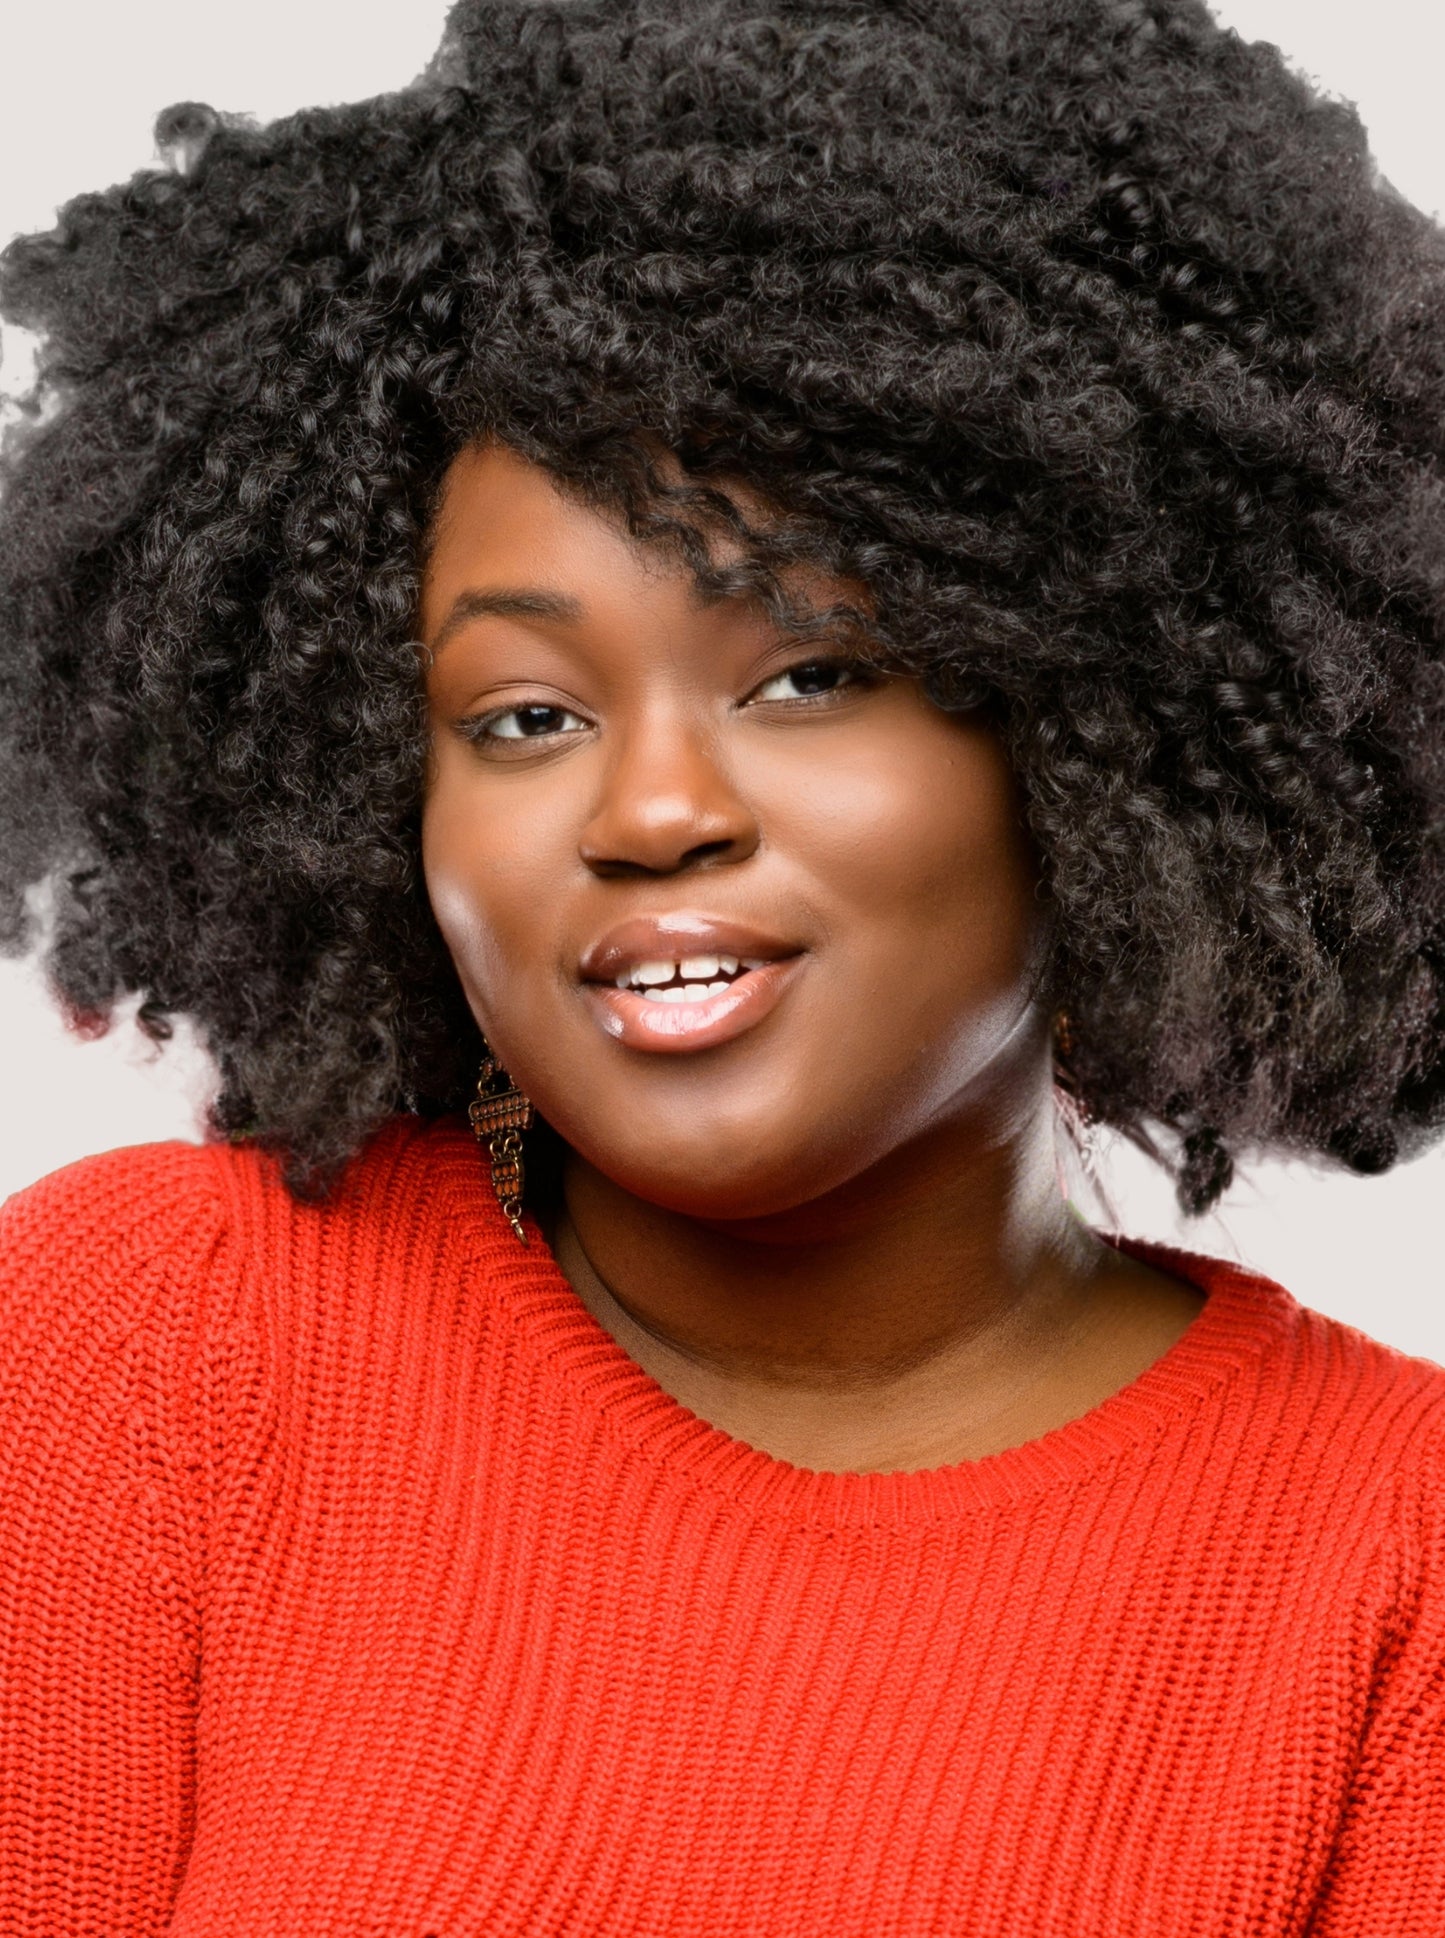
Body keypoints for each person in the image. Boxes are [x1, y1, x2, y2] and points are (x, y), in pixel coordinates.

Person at [1, 0, 1442, 1930]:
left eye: (808, 673)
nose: (649, 807)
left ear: (1110, 733)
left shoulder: (1394, 1574)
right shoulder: (147, 1352)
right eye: (517, 715)